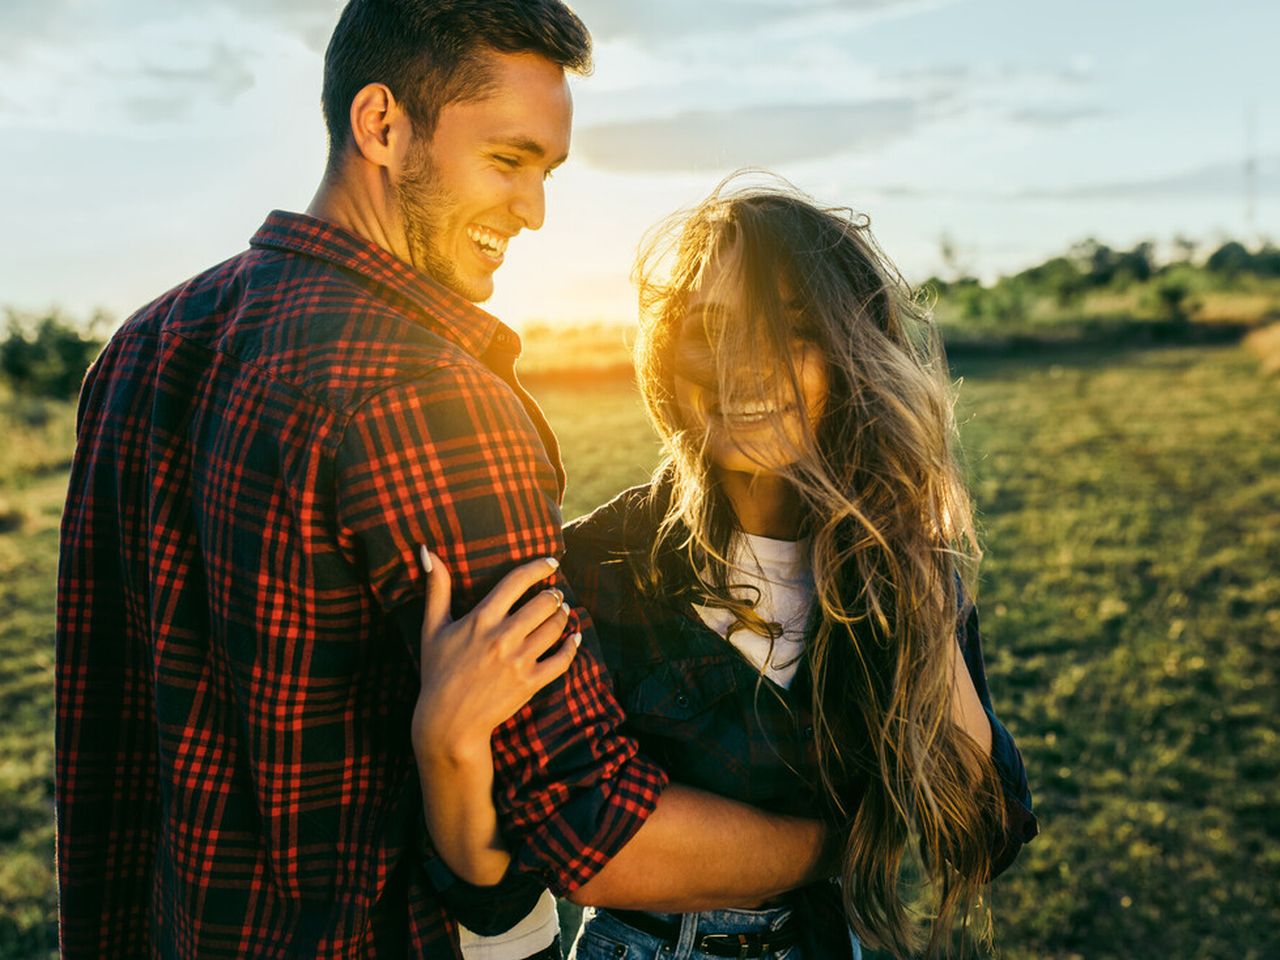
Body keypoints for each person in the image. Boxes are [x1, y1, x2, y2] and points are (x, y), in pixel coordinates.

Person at [54, 5, 840, 959]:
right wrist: (840, 844)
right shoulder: (428, 399)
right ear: (380, 124)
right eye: (508, 161)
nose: (534, 210)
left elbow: (105, 735)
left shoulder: (143, 345)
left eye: (546, 172)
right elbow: (588, 824)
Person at [413, 178, 1040, 959]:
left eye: (792, 330)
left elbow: (984, 835)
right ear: (668, 356)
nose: (744, 368)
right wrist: (850, 843)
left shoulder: (901, 567)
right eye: (710, 329)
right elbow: (540, 862)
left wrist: (913, 571)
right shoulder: (597, 566)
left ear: (854, 356)